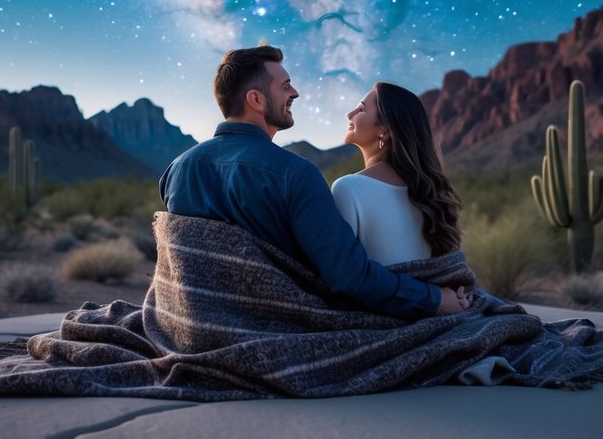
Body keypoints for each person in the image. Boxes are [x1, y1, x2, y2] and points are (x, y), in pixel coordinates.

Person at [159, 45, 466, 318]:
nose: (295, 94)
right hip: (272, 329)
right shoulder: (295, 174)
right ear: (255, 99)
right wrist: (433, 299)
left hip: (188, 321)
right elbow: (347, 276)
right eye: (286, 86)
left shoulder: (175, 171)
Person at [332, 82, 464, 268]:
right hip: (428, 296)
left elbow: (344, 273)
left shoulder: (348, 188)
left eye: (361, 109)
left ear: (384, 131)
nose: (349, 114)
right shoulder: (427, 192)